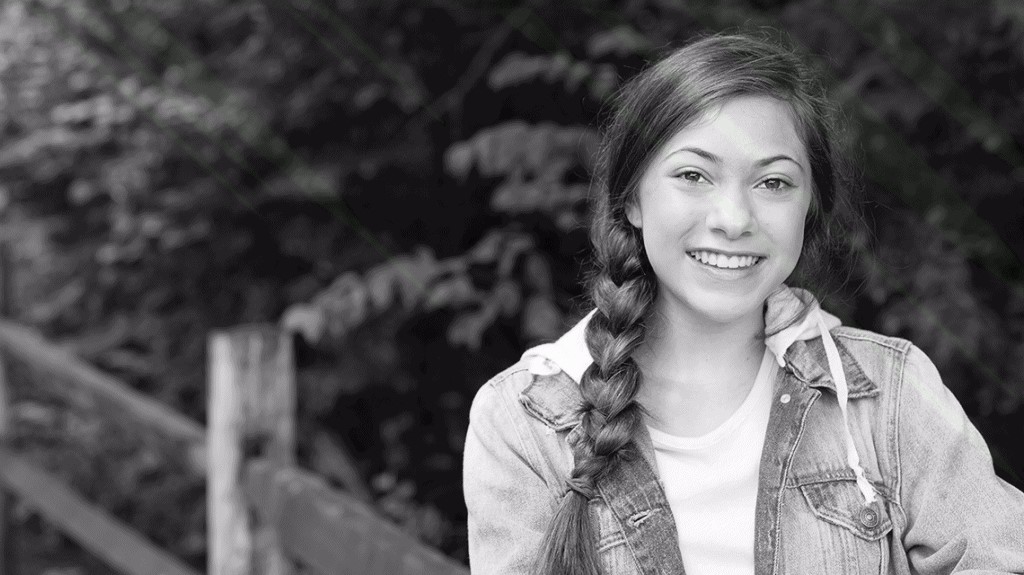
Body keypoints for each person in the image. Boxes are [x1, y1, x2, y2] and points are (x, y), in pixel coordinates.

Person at [462, 31, 1024, 575]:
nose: (732, 219)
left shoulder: (889, 395)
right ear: (631, 198)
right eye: (693, 175)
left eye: (773, 183)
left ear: (810, 206)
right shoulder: (523, 423)